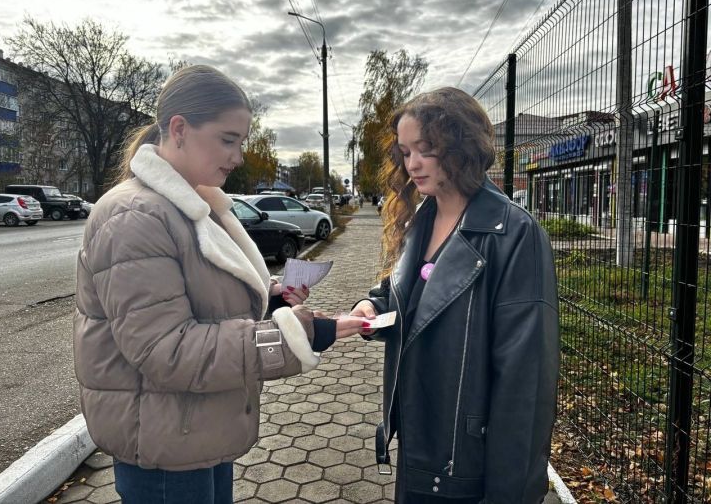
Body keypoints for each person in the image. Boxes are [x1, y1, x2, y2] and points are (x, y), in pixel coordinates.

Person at [73, 65, 364, 504]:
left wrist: (268, 299)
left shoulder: (193, 205)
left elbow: (200, 302)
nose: (239, 156)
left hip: (194, 427)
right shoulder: (136, 216)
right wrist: (298, 334)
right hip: (164, 446)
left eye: (241, 142)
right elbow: (167, 350)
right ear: (179, 129)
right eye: (228, 140)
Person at [350, 87, 559, 503]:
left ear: (461, 144)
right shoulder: (421, 216)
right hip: (417, 442)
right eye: (405, 152)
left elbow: (526, 384)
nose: (412, 164)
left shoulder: (514, 234)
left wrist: (509, 494)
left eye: (425, 149)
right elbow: (415, 292)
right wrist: (374, 304)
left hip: (465, 461)